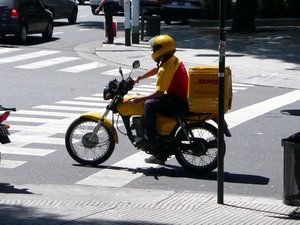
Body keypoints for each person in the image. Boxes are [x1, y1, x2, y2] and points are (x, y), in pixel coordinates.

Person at [129, 35, 189, 165]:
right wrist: (139, 77)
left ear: (161, 50)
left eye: (154, 49)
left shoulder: (165, 68)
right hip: (179, 96)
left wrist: (139, 99)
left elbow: (159, 93)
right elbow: (157, 69)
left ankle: (149, 138)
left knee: (149, 104)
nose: (152, 52)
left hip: (177, 100)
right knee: (150, 102)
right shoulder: (171, 59)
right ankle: (159, 154)